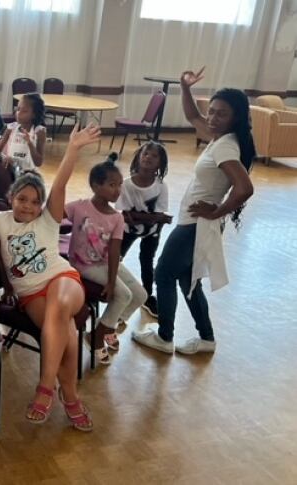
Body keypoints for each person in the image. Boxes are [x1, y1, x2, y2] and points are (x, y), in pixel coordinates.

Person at [133, 67, 254, 355]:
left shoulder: (225, 147)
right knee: (188, 280)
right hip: (198, 224)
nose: (211, 118)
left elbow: (244, 187)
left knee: (163, 274)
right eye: (211, 111)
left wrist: (217, 211)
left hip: (195, 225)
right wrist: (185, 88)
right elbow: (192, 117)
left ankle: (164, 337)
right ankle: (207, 339)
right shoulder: (220, 139)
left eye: (220, 114)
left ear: (236, 117)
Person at [0, 124, 100, 431]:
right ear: (11, 197)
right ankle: (71, 397)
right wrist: (8, 286)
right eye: (22, 198)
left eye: (35, 201)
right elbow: (0, 257)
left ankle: (45, 387)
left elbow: (61, 183)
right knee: (66, 332)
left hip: (62, 279)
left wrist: (73, 149)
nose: (28, 205)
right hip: (30, 293)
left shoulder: (49, 219)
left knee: (60, 307)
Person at [65, 153, 147, 364]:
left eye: (120, 185)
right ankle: (97, 336)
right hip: (82, 264)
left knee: (140, 295)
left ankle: (105, 327)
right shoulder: (79, 207)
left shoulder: (117, 217)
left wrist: (111, 280)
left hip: (105, 263)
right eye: (112, 185)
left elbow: (114, 251)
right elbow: (54, 213)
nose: (118, 190)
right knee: (123, 295)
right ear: (95, 185)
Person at [116, 142, 172, 317]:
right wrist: (157, 218)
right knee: (115, 259)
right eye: (145, 153)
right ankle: (114, 288)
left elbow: (158, 214)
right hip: (127, 230)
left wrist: (152, 219)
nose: (148, 157)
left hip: (152, 232)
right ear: (139, 157)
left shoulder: (161, 187)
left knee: (147, 262)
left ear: (160, 164)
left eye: (154, 156)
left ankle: (147, 296)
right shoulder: (126, 185)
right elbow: (125, 216)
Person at [0, 93, 46, 171]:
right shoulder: (11, 129)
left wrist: (30, 143)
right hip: (11, 173)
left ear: (34, 114)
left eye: (24, 111)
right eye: (18, 109)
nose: (19, 113)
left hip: (29, 175)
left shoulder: (39, 132)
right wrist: (4, 158)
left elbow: (38, 163)